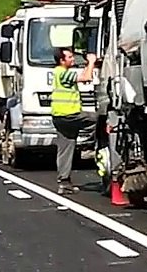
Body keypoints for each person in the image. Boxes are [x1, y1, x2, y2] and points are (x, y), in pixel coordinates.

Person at [50, 46, 97, 194]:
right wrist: (91, 62)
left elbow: (81, 79)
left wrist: (86, 66)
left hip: (59, 116)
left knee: (65, 148)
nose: (72, 59)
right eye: (69, 57)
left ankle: (64, 182)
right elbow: (87, 78)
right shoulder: (62, 73)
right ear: (62, 60)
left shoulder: (60, 73)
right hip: (69, 115)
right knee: (96, 118)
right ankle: (89, 146)